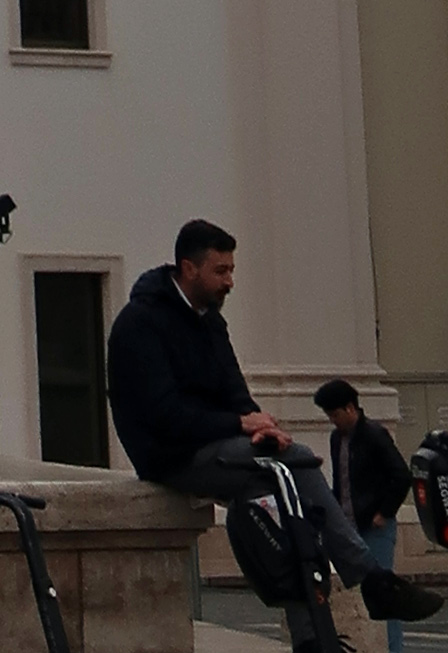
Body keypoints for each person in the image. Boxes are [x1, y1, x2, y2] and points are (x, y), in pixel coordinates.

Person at [108, 224, 444, 623]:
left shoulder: (211, 322)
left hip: (215, 446)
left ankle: (311, 639)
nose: (229, 282)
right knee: (294, 462)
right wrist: (241, 423)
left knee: (283, 508)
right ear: (189, 268)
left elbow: (236, 393)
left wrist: (264, 427)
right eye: (220, 271)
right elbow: (163, 415)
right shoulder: (140, 323)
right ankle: (371, 580)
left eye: (232, 270)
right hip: (169, 456)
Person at [315, 375, 415, 582]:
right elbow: (341, 479)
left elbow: (401, 475)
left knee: (380, 581)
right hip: (351, 521)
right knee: (365, 582)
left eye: (335, 414)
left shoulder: (374, 435)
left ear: (350, 408)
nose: (333, 420)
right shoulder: (337, 438)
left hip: (374, 521)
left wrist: (384, 512)